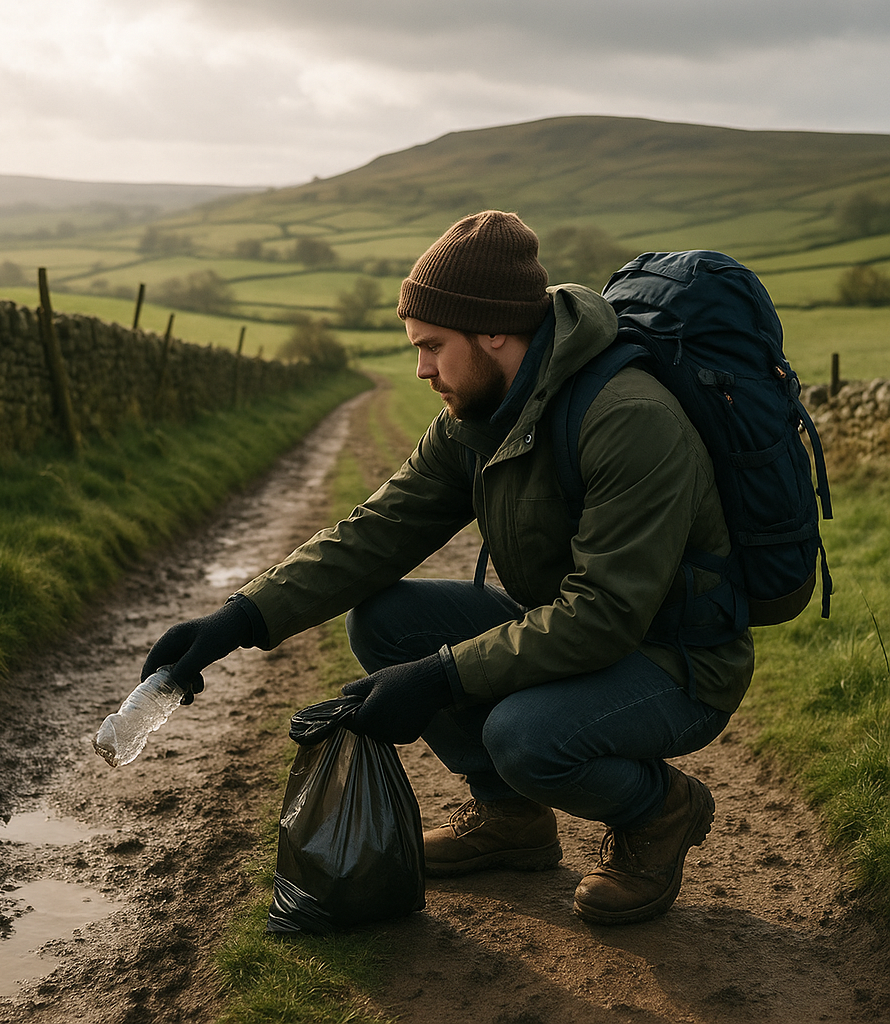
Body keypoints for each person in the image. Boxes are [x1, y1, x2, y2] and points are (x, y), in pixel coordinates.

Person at [142, 210, 753, 925]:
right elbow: (375, 534)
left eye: (432, 346)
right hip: (582, 635)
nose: (422, 369)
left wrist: (440, 676)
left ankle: (660, 811)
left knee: (523, 735)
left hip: (677, 661)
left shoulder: (627, 418)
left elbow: (606, 614)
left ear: (494, 331)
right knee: (387, 619)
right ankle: (511, 821)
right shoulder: (479, 413)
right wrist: (235, 621)